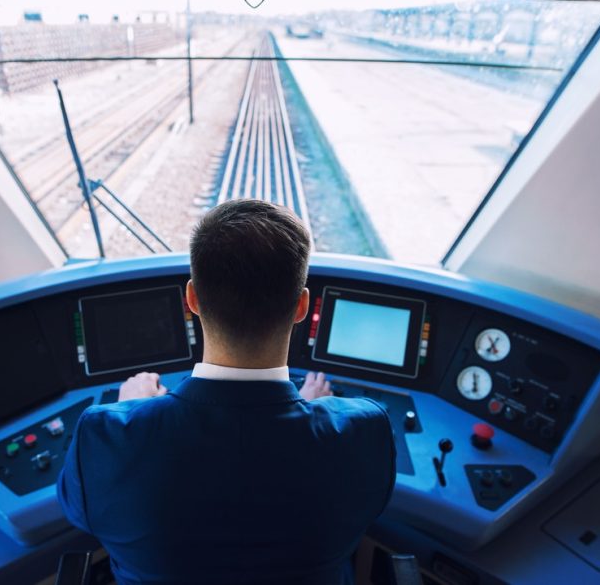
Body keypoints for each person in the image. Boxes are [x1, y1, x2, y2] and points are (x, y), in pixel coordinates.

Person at [57, 199, 396, 585]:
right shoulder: (362, 433)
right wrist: (317, 414)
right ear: (302, 305)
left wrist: (131, 415)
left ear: (192, 299)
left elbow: (78, 510)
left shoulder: (104, 439)